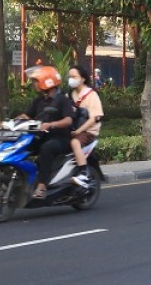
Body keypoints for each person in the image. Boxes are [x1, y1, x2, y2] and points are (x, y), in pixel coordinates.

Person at [16, 66, 76, 199]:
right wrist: (11, 122)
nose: (34, 84)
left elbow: (68, 120)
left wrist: (51, 124)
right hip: (41, 137)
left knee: (47, 148)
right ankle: (21, 178)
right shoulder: (39, 100)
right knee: (21, 146)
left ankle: (42, 186)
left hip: (60, 139)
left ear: (46, 81)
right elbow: (26, 116)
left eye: (36, 81)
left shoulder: (62, 99)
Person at [67, 64, 104, 188]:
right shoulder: (70, 94)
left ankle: (84, 173)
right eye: (69, 76)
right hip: (72, 129)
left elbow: (94, 118)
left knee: (74, 143)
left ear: (82, 79)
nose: (71, 79)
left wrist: (78, 132)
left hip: (88, 132)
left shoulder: (91, 95)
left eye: (74, 76)